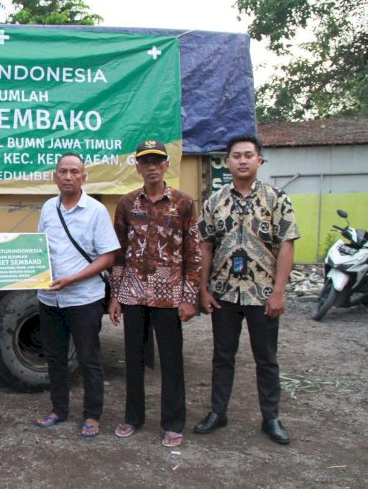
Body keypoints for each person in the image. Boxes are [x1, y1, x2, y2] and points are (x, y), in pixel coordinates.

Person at [194, 134, 299, 445]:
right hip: (224, 293)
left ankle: (271, 417)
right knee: (222, 356)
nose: (242, 160)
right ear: (227, 162)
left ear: (259, 160)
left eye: (248, 155)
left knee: (266, 358)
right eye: (236, 155)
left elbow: (286, 246)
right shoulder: (214, 202)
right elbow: (205, 247)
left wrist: (279, 292)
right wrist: (203, 289)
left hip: (262, 294)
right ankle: (218, 412)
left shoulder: (277, 198)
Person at [109, 140, 201, 448]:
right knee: (133, 359)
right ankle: (133, 418)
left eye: (156, 162)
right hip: (133, 293)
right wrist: (116, 295)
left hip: (169, 295)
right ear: (137, 167)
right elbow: (118, 254)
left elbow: (193, 254)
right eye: (144, 162)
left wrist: (189, 298)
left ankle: (173, 423)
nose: (151, 167)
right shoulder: (126, 205)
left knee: (172, 361)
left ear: (165, 166)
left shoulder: (184, 203)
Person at [34, 153, 119, 438]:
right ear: (55, 177)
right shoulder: (48, 208)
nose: (68, 176)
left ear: (84, 177)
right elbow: (38, 248)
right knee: (55, 357)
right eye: (62, 171)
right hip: (49, 299)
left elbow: (108, 257)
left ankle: (92, 415)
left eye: (74, 171)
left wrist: (72, 278)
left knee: (88, 358)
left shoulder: (95, 211)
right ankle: (59, 409)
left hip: (84, 298)